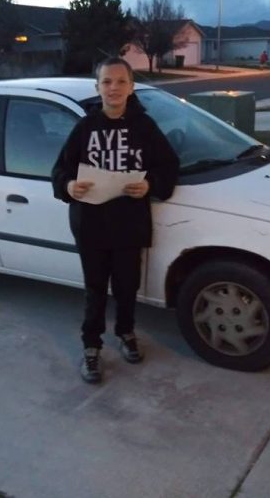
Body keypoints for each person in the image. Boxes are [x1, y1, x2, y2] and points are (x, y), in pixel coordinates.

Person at [51, 57, 179, 384]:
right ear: (97, 88)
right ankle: (91, 347)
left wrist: (150, 184)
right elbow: (59, 170)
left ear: (131, 87)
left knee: (127, 287)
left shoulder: (144, 127)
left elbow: (168, 166)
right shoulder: (85, 128)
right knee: (95, 290)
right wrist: (68, 186)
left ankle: (125, 333)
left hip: (129, 223)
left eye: (121, 81)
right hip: (91, 223)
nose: (114, 88)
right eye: (107, 82)